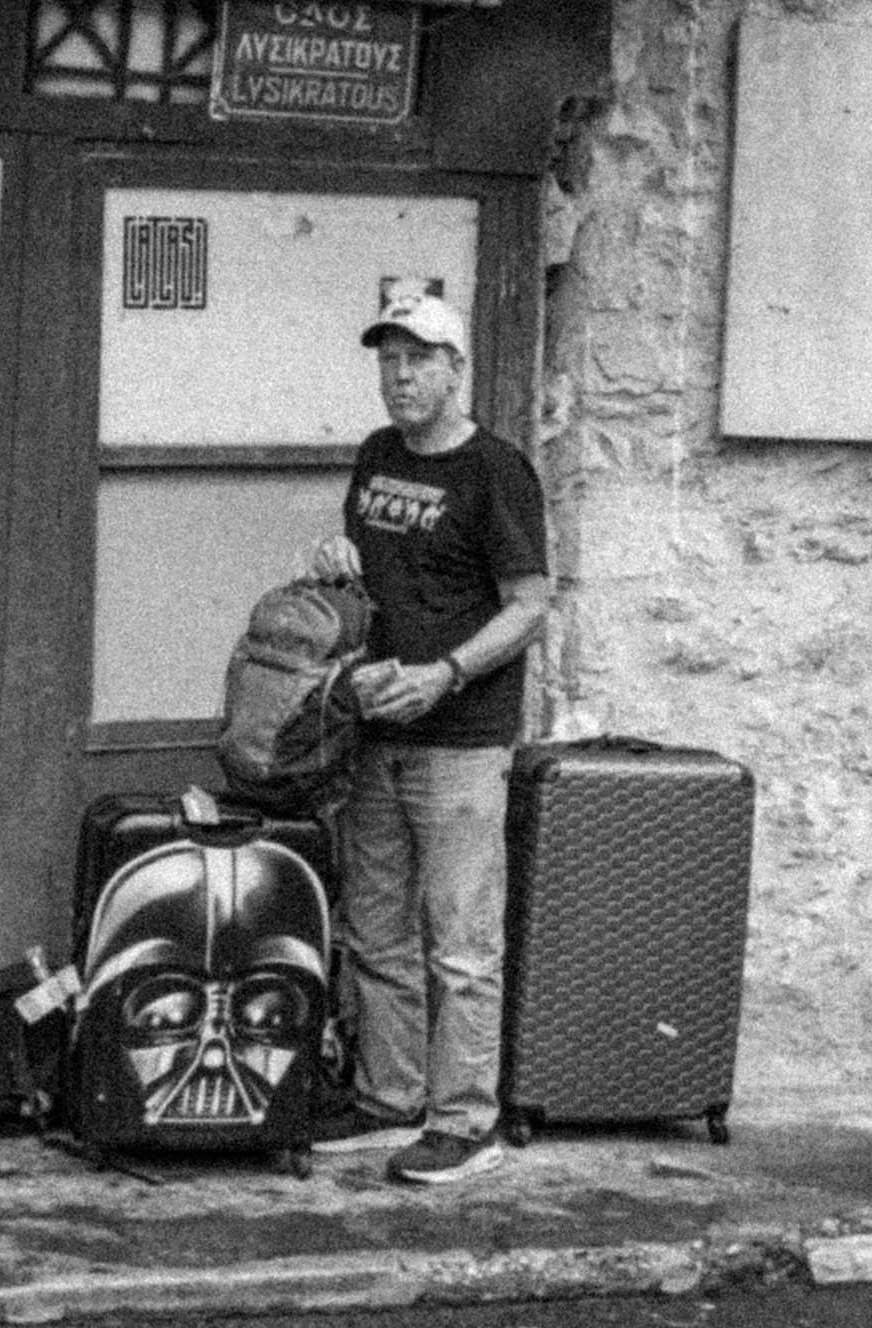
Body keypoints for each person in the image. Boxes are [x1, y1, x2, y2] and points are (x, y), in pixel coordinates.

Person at [307, 292, 550, 1185]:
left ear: (457, 370)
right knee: (375, 929)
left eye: (419, 360)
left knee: (460, 940)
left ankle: (465, 1121)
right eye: (388, 361)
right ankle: (390, 1097)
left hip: (461, 738)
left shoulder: (495, 471)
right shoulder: (377, 457)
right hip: (376, 733)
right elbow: (375, 574)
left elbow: (530, 604)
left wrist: (445, 673)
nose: (401, 377)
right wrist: (339, 559)